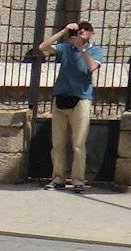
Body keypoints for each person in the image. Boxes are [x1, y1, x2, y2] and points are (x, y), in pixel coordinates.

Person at [36, 19, 104, 191]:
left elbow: (91, 68)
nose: (81, 32)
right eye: (79, 29)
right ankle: (58, 179)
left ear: (91, 33)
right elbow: (43, 47)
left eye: (85, 30)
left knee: (78, 144)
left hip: (80, 100)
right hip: (61, 97)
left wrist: (81, 48)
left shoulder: (95, 50)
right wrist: (64, 31)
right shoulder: (66, 49)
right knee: (57, 143)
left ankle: (78, 181)